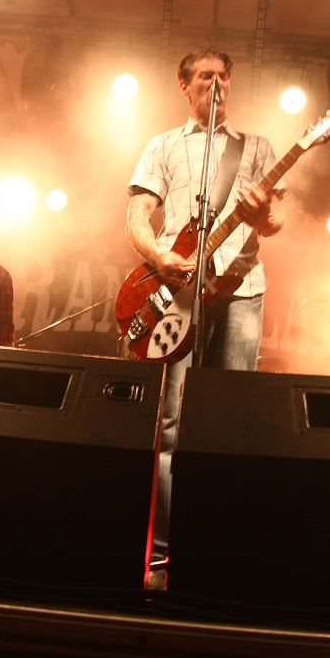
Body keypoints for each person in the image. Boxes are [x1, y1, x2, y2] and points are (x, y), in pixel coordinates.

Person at [125, 49, 285, 566]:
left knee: (228, 418)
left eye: (223, 77)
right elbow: (136, 214)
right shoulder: (163, 145)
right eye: (204, 76)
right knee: (170, 422)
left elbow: (275, 222)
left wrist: (264, 219)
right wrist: (160, 255)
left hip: (240, 288)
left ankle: (218, 548)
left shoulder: (256, 147)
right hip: (177, 291)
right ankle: (164, 551)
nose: (215, 84)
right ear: (183, 83)